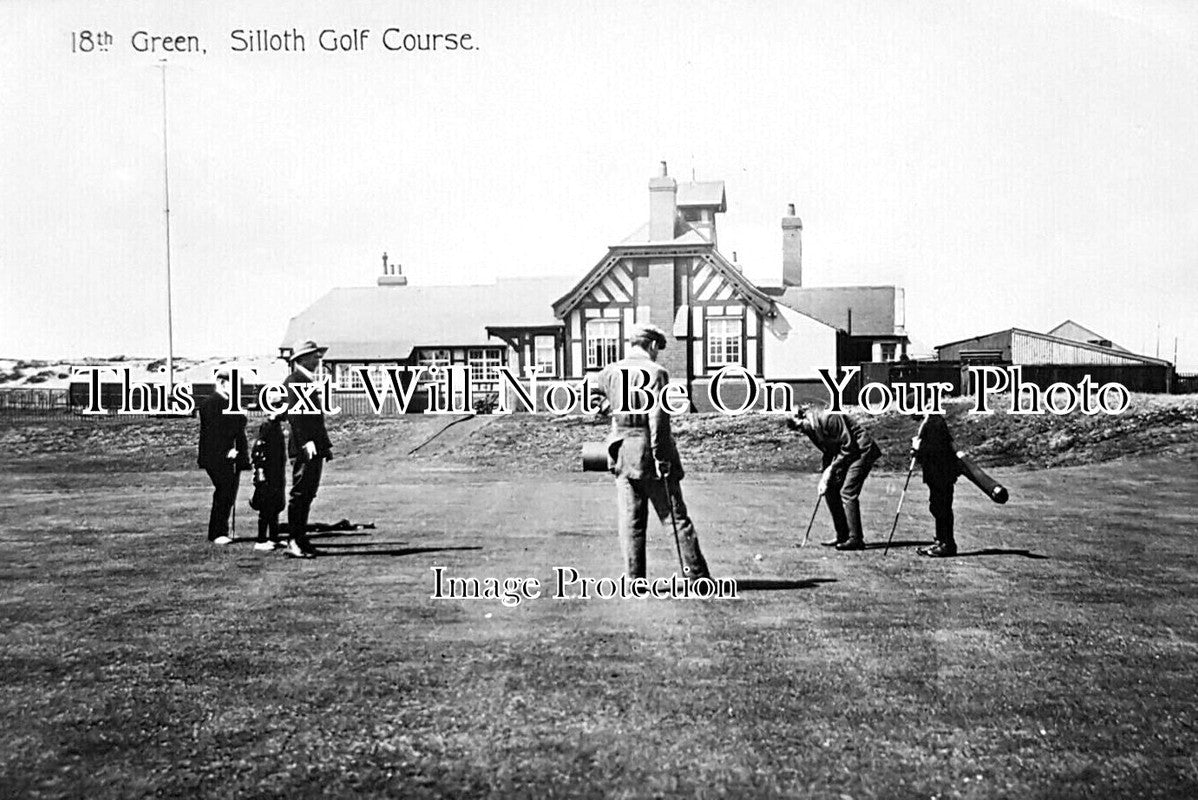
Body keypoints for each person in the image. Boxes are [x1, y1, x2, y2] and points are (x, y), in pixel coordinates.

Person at [589, 323, 711, 581]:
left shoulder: (610, 371)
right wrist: (662, 457)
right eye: (658, 349)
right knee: (675, 519)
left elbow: (594, 400)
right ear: (652, 345)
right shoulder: (656, 373)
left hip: (621, 451)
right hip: (649, 454)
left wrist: (611, 409)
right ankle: (697, 578)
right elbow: (658, 420)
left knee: (631, 522)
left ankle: (634, 580)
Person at [787, 402, 882, 551]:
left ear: (803, 416)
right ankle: (842, 535)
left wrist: (830, 470)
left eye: (800, 427)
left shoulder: (829, 417)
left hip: (862, 450)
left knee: (848, 491)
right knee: (830, 489)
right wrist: (825, 476)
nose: (801, 431)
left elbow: (849, 446)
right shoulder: (811, 429)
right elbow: (828, 451)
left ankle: (856, 539)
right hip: (847, 453)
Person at [283, 340, 333, 559]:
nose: (318, 359)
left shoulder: (306, 381)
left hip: (314, 447)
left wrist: (324, 446)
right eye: (313, 356)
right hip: (305, 447)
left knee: (308, 494)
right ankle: (294, 541)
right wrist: (306, 442)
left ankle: (301, 539)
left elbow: (315, 420)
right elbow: (296, 416)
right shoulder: (294, 380)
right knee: (301, 493)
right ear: (301, 359)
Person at [197, 367, 250, 545]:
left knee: (229, 492)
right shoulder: (211, 404)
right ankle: (217, 532)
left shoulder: (230, 403)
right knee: (224, 490)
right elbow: (212, 433)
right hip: (217, 457)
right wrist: (225, 451)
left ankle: (223, 530)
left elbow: (237, 428)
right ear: (221, 383)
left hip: (233, 456)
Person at [912, 413, 960, 557]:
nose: (911, 416)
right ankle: (941, 541)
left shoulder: (935, 422)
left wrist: (918, 448)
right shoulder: (930, 420)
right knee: (937, 506)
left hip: (941, 473)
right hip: (936, 474)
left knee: (942, 507)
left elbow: (936, 450)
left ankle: (947, 544)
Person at [248, 414, 286, 552]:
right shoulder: (267, 427)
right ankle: (261, 539)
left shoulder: (275, 427)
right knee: (266, 507)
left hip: (276, 472)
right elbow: (259, 451)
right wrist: (260, 472)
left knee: (275, 506)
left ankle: (273, 537)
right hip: (268, 472)